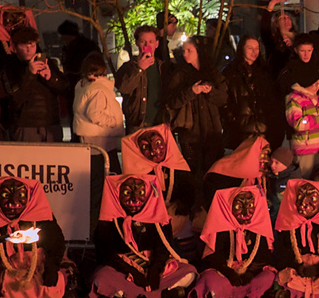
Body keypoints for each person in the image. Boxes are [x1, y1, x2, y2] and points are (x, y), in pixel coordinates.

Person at [89, 173, 197, 298]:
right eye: (126, 192)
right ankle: (156, 293)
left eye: (141, 192)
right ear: (116, 194)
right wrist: (133, 272)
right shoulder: (108, 222)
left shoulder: (158, 221)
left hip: (153, 266)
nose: (134, 199)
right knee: (102, 277)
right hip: (122, 269)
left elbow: (162, 249)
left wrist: (155, 271)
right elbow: (107, 255)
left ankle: (142, 293)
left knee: (189, 272)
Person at [0, 175, 67, 298]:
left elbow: (56, 244)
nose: (13, 203)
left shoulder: (43, 218)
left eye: (20, 195)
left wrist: (51, 267)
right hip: (7, 270)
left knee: (48, 285)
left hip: (36, 268)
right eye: (5, 195)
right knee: (4, 289)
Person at [166, 37, 231, 212]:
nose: (186, 54)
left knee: (213, 171)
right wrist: (191, 92)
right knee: (192, 171)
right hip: (190, 130)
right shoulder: (180, 73)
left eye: (190, 51)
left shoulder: (212, 72)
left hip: (212, 130)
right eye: (184, 51)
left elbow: (224, 98)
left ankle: (212, 209)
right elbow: (172, 101)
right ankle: (193, 209)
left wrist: (211, 92)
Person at [193, 184, 277, 298]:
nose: (245, 211)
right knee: (209, 278)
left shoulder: (257, 228)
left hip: (250, 274)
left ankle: (252, 292)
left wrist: (251, 273)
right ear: (229, 207)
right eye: (239, 206)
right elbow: (213, 258)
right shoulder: (221, 227)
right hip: (226, 274)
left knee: (269, 276)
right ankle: (243, 293)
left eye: (250, 206)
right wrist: (229, 273)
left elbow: (263, 257)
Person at [0, 27, 71, 141]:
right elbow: (15, 99)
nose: (29, 50)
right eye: (24, 46)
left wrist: (50, 77)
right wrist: (30, 74)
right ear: (15, 47)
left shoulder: (46, 62)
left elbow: (65, 87)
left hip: (50, 123)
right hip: (26, 125)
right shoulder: (11, 67)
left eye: (32, 45)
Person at [223, 36, 284, 150]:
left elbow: (273, 100)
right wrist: (233, 119)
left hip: (264, 129)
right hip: (240, 132)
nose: (254, 52)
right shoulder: (230, 72)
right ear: (242, 48)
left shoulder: (265, 71)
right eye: (250, 48)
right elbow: (224, 101)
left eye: (257, 48)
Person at [115, 24, 172, 133]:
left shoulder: (163, 67)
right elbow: (124, 88)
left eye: (151, 42)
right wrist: (139, 68)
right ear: (136, 43)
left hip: (160, 123)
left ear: (157, 44)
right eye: (143, 41)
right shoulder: (128, 67)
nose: (147, 45)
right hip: (137, 124)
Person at [73, 54, 125, 156]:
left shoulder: (82, 85)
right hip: (100, 137)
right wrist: (113, 122)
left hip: (88, 135)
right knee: (108, 167)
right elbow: (95, 114)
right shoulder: (98, 89)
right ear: (104, 69)